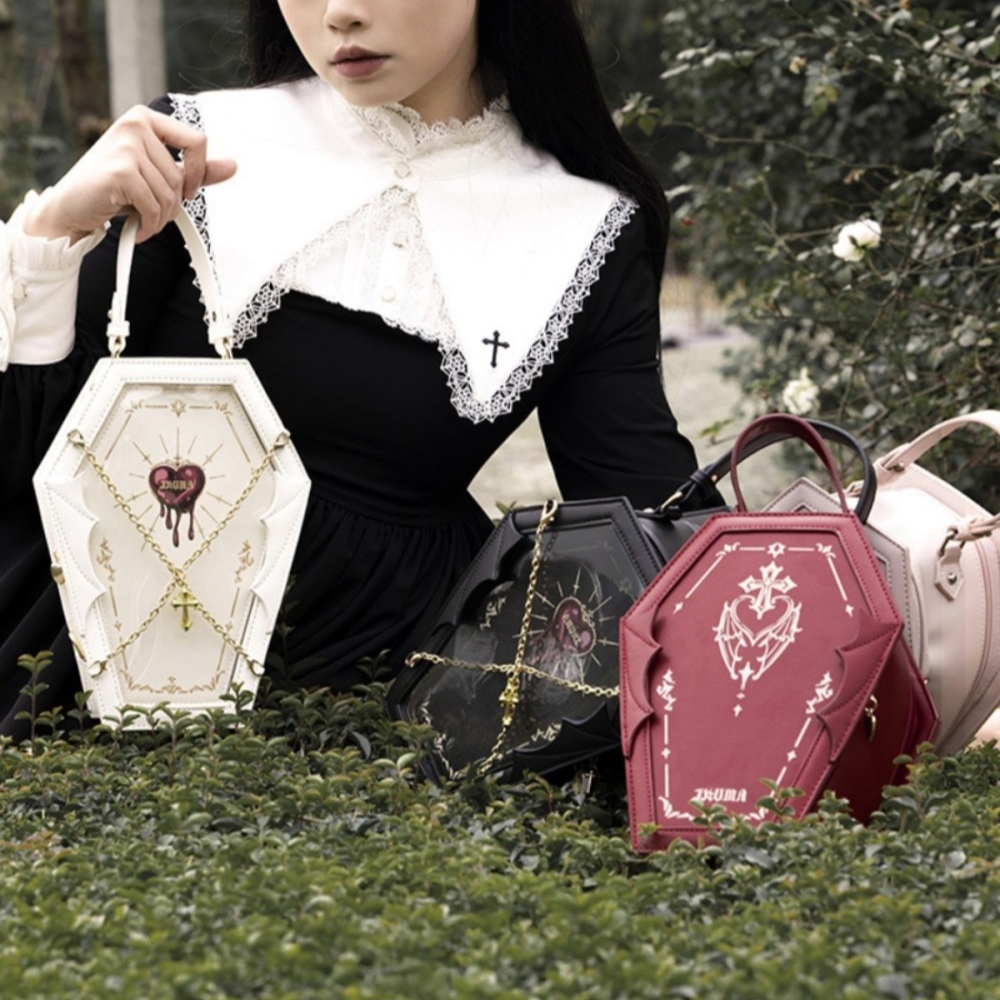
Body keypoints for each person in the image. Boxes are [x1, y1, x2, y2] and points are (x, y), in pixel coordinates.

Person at [0, 0, 709, 738]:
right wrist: (53, 229)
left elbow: (652, 531)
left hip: (375, 710)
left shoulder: (586, 226)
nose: (340, 13)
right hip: (87, 658)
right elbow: (28, 456)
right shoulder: (186, 147)